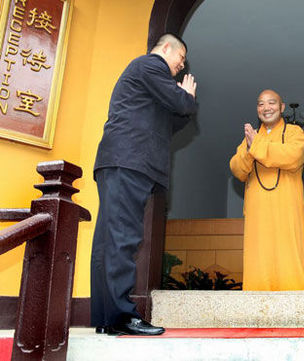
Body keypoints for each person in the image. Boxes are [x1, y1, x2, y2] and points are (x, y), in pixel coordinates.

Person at [91, 34, 197, 336]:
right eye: (181, 58)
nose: (181, 65)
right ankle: (123, 315)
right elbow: (180, 103)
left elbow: (174, 121)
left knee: (110, 241)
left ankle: (107, 318)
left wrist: (184, 103)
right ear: (166, 49)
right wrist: (186, 97)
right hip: (128, 161)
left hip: (122, 162)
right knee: (122, 238)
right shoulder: (150, 65)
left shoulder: (151, 84)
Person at [230, 89, 304, 291]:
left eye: (271, 103)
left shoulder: (294, 132)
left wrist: (257, 145)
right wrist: (249, 151)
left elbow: (292, 156)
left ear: (282, 107)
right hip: (258, 213)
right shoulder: (250, 139)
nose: (266, 108)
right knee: (259, 259)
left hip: (287, 210)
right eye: (261, 104)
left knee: (289, 258)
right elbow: (237, 169)